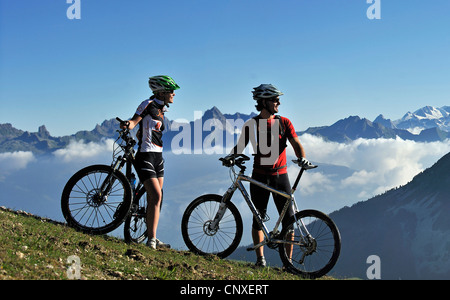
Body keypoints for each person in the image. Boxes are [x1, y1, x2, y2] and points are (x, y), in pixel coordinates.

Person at [225, 84, 310, 267]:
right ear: (263, 102)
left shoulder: (284, 122)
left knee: (288, 221)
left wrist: (302, 158)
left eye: (277, 99)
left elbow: (296, 143)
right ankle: (260, 260)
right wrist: (230, 157)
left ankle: (288, 263)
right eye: (274, 99)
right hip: (259, 177)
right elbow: (240, 147)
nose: (278, 102)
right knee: (258, 219)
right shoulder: (251, 125)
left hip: (281, 177)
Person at [120, 75, 180, 249]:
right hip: (145, 156)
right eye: (171, 91)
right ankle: (151, 241)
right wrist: (128, 125)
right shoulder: (147, 104)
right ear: (161, 92)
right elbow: (134, 120)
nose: (174, 94)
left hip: (158, 158)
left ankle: (151, 236)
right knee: (156, 195)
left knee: (157, 199)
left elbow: (148, 130)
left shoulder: (162, 109)